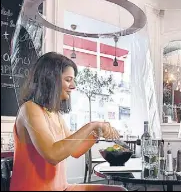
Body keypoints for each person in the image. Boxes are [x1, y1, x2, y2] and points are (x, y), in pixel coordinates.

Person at [10, 52, 126, 191]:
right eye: (68, 79)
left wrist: (96, 132)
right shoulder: (30, 109)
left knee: (119, 190)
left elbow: (75, 150)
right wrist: (91, 125)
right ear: (50, 80)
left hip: (61, 188)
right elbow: (53, 155)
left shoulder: (55, 113)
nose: (73, 86)